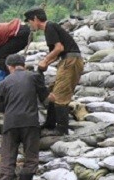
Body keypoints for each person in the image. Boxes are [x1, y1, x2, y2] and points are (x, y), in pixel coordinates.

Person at [23, 7, 84, 135]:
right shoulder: (50, 28)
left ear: (35, 19)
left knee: (60, 95)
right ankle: (50, 124)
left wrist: (45, 60)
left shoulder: (49, 27)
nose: (30, 25)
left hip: (70, 61)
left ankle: (62, 129)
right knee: (53, 90)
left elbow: (59, 48)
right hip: (68, 59)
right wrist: (45, 64)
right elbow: (56, 53)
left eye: (30, 21)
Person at [0, 54, 48, 180]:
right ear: (23, 64)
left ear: (9, 67)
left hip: (10, 123)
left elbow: (1, 108)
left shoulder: (4, 83)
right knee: (31, 156)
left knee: (7, 156)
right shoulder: (34, 77)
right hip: (30, 122)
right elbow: (45, 99)